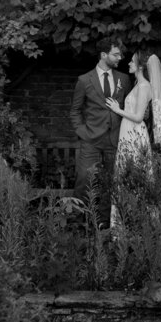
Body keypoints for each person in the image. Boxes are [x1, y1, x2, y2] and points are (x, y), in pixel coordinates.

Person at [104, 50, 161, 227]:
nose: (129, 64)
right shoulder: (137, 85)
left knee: (135, 174)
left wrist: (117, 110)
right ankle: (124, 223)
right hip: (128, 132)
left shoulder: (144, 87)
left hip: (135, 133)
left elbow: (139, 116)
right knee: (125, 174)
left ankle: (141, 224)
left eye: (132, 62)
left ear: (141, 66)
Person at [70, 39, 130, 228]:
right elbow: (75, 110)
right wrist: (82, 132)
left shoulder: (124, 79)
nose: (120, 57)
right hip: (91, 140)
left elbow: (129, 106)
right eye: (116, 54)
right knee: (84, 180)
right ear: (104, 55)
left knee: (110, 182)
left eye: (120, 54)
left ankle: (104, 223)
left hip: (114, 139)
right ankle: (78, 223)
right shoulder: (84, 80)